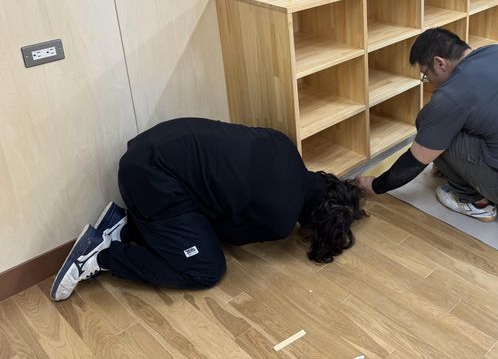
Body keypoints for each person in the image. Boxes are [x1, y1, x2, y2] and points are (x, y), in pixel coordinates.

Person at [50, 118, 365, 301]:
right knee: (205, 268)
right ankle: (102, 256)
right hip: (150, 179)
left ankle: (124, 226)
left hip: (149, 148)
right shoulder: (282, 220)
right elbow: (227, 233)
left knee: (207, 208)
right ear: (316, 221)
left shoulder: (285, 146)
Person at [355, 28, 498, 244]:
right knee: (452, 124)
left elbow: (413, 162)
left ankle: (476, 202)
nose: (428, 81)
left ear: (439, 63)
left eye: (426, 75)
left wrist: (376, 185)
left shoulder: (452, 94)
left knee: (429, 124)